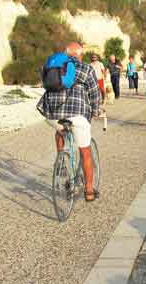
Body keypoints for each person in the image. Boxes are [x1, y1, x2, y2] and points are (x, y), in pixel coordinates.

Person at [38, 42, 101, 202]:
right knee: (85, 151)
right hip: (77, 114)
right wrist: (95, 110)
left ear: (65, 53)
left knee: (60, 129)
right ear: (79, 55)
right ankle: (88, 191)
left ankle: (62, 160)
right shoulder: (86, 68)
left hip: (51, 114)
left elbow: (44, 84)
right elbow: (94, 93)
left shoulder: (53, 64)